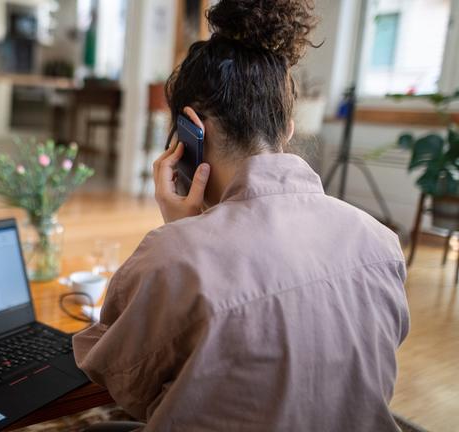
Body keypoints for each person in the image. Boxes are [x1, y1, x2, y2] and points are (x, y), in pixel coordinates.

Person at [73, 0, 410, 431]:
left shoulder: (174, 256)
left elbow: (115, 373)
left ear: (192, 128)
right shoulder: (380, 242)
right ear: (287, 127)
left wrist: (184, 234)